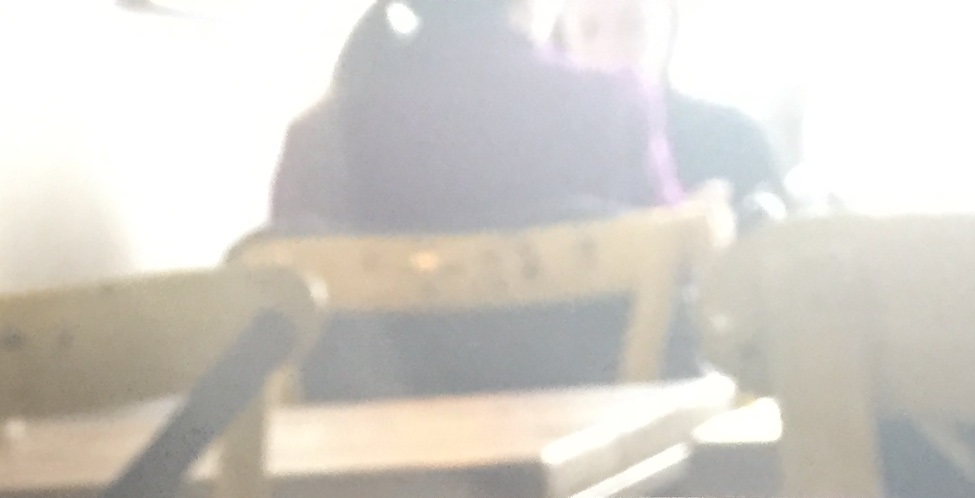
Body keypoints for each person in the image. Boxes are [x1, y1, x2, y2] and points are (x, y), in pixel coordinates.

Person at [264, 0, 680, 398]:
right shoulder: (610, 106)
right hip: (590, 439)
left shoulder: (319, 138)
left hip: (360, 443)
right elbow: (680, 279)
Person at [551, 0, 786, 217]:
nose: (611, 51)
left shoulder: (735, 141)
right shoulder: (548, 164)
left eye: (634, 26)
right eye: (589, 31)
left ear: (667, 26)